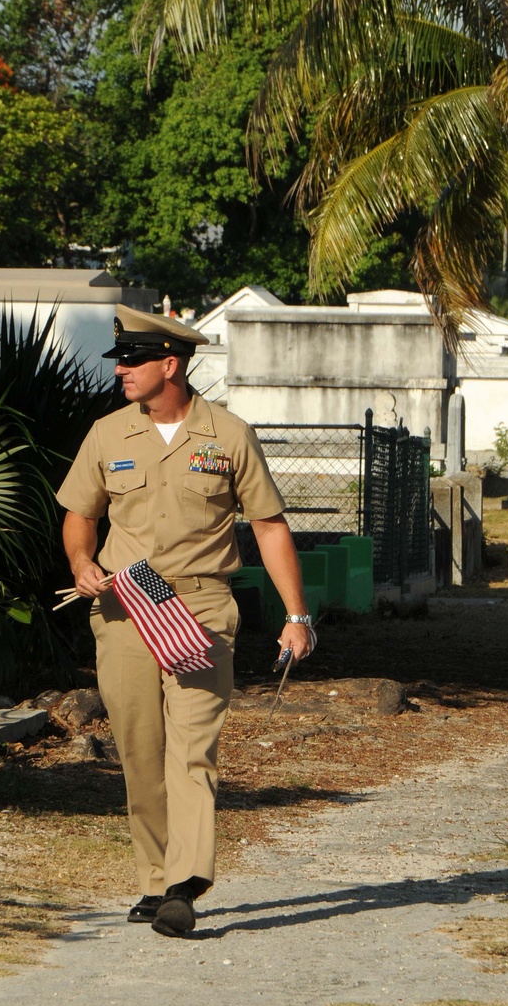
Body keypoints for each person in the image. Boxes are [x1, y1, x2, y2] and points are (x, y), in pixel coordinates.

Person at [56, 306, 315, 938]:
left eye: (133, 360)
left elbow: (270, 526)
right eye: (121, 359)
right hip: (123, 609)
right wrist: (81, 561)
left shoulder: (227, 435)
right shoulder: (107, 434)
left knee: (193, 749)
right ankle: (154, 879)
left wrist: (297, 614)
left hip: (200, 609)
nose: (121, 369)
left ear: (169, 365)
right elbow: (79, 513)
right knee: (141, 754)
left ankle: (184, 884)